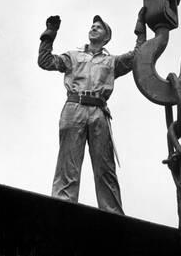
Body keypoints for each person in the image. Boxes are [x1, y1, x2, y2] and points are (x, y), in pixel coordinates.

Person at [38, 14, 138, 215]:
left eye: (98, 27)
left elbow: (138, 56)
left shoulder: (112, 62)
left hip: (99, 112)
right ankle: (61, 207)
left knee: (105, 168)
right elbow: (45, 61)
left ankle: (113, 215)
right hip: (74, 107)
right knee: (68, 163)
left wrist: (140, 28)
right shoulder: (73, 56)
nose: (93, 28)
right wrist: (49, 34)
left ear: (106, 37)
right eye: (92, 26)